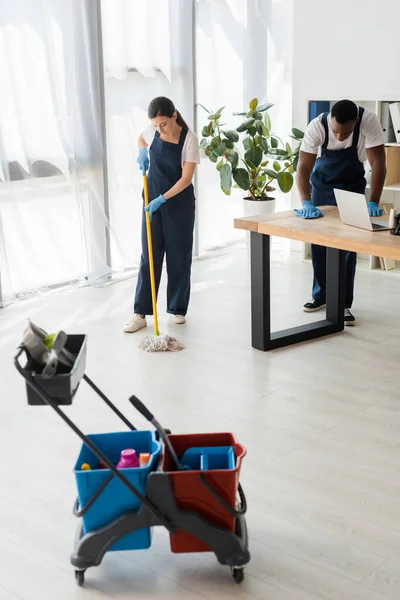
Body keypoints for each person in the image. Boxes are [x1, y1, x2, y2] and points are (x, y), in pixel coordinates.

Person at [295, 99, 386, 326]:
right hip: (322, 186)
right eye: (336, 131)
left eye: (346, 133)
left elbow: (378, 164)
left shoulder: (369, 121)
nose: (341, 136)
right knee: (318, 242)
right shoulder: (317, 125)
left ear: (355, 122)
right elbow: (303, 167)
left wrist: (373, 201)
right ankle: (321, 296)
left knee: (347, 247)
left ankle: (343, 304)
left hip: (352, 186)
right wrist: (306, 202)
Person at [124, 96, 200, 333]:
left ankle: (177, 309)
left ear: (174, 115)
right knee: (149, 256)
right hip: (151, 202)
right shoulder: (153, 129)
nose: (159, 129)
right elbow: (141, 138)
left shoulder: (190, 139)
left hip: (179, 205)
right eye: (156, 125)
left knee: (179, 256)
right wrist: (142, 151)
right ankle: (140, 313)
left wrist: (162, 199)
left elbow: (186, 179)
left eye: (163, 124)